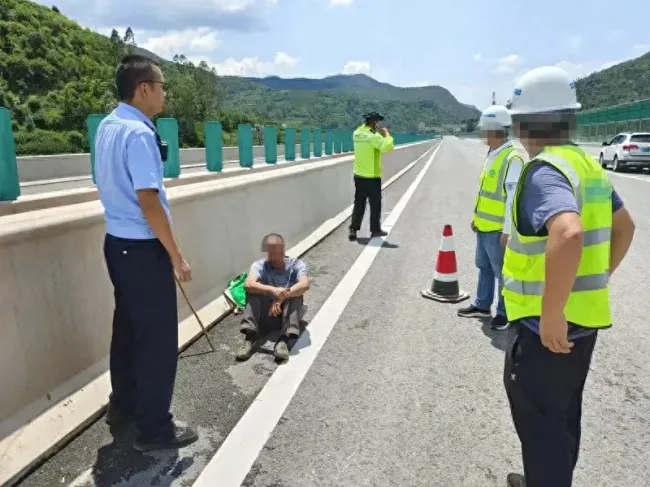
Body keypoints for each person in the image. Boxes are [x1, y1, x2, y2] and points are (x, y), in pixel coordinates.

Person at [502, 66, 636, 487]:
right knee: (562, 415)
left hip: (545, 329)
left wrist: (553, 311)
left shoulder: (544, 170)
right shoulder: (586, 166)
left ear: (522, 124)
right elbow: (625, 227)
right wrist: (595, 279)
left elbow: (568, 231)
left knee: (540, 423)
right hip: (583, 325)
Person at [95, 55, 198, 452]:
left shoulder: (107, 126)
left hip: (115, 243)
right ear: (143, 89)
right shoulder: (139, 133)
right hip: (141, 247)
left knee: (127, 330)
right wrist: (176, 254)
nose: (164, 92)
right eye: (161, 85)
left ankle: (122, 405)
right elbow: (149, 200)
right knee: (156, 340)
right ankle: (155, 429)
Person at [458, 105, 524, 331]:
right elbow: (485, 191)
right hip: (484, 226)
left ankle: (504, 313)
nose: (482, 134)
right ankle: (482, 305)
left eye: (485, 130)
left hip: (498, 231)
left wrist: (507, 230)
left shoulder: (512, 159)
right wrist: (476, 217)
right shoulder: (493, 155)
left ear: (495, 130)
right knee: (483, 267)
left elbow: (512, 199)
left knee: (502, 273)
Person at [236, 233, 310, 362]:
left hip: (286, 313)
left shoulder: (296, 264)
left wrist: (281, 297)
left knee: (297, 294)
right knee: (252, 290)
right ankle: (250, 337)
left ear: (282, 248)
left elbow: (304, 284)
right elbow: (248, 284)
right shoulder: (260, 265)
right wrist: (273, 290)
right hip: (266, 313)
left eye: (276, 248)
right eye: (269, 249)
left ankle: (283, 340)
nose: (273, 253)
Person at [348, 112, 395, 241]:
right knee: (375, 205)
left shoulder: (356, 133)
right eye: (377, 123)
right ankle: (375, 230)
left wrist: (377, 135)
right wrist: (387, 134)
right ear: (374, 123)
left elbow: (369, 142)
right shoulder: (373, 136)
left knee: (359, 203)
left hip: (358, 175)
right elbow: (387, 147)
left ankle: (353, 229)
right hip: (372, 176)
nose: (378, 125)